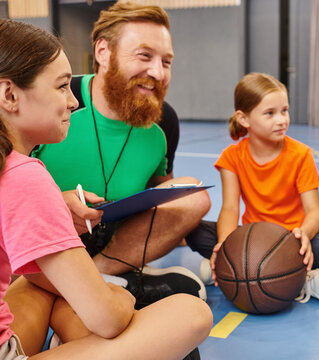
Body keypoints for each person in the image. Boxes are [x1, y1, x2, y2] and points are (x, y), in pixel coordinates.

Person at [0, 18, 212, 360]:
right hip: (69, 265)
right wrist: (117, 298)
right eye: (60, 87)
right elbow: (110, 319)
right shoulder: (26, 173)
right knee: (191, 314)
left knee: (43, 288)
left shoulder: (160, 124)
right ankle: (100, 289)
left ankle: (92, 292)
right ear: (10, 95)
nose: (71, 101)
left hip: (77, 250)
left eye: (166, 61)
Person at [32, 2, 210, 308]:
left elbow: (161, 193)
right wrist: (54, 202)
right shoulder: (59, 99)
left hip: (114, 240)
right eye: (144, 55)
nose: (157, 72)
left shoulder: (163, 120)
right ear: (103, 52)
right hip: (48, 239)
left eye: (166, 62)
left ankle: (101, 275)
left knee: (194, 194)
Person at [186, 73, 319, 303]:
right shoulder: (232, 157)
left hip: (290, 240)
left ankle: (291, 277)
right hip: (252, 242)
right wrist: (225, 248)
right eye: (270, 113)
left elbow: (315, 212)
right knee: (194, 230)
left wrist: (303, 235)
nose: (281, 120)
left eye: (284, 110)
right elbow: (229, 208)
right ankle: (239, 267)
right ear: (244, 119)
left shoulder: (300, 155)